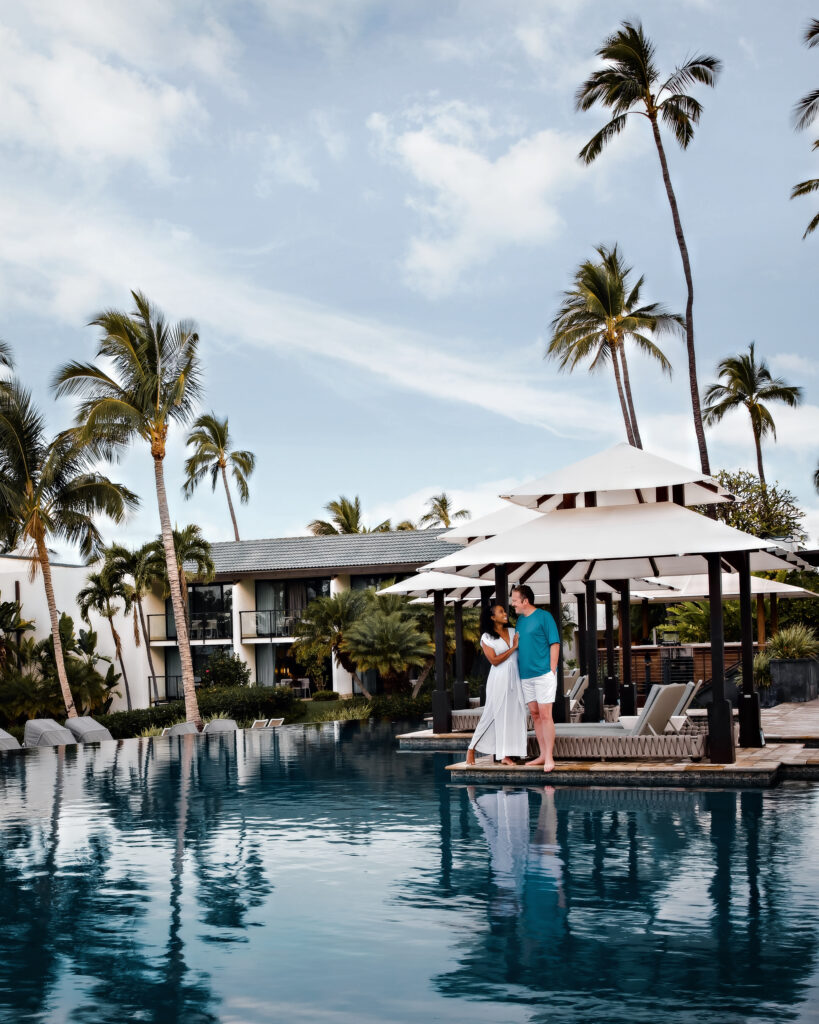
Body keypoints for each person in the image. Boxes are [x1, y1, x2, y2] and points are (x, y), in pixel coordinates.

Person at [465, 601, 527, 766]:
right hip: (499, 678)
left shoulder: (514, 631)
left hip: (516, 678)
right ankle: (471, 748)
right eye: (501, 612)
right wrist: (513, 647)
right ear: (492, 617)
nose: (505, 613)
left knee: (515, 714)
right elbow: (494, 660)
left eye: (505, 611)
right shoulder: (487, 637)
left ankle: (508, 754)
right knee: (492, 713)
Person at [509, 583, 561, 773]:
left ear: (525, 600)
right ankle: (541, 754)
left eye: (515, 601)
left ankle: (549, 757)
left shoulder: (544, 617)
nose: (513, 604)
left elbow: (554, 643)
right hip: (526, 676)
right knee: (535, 715)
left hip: (543, 675)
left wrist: (552, 670)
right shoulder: (520, 622)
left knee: (546, 715)